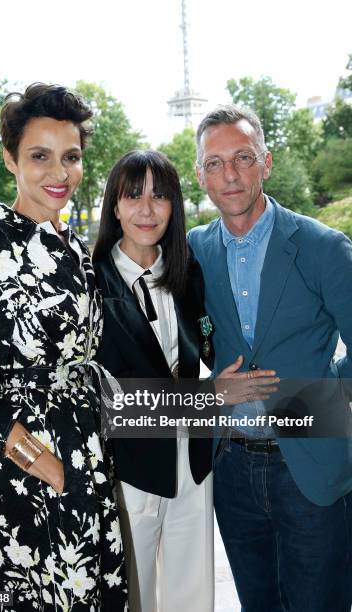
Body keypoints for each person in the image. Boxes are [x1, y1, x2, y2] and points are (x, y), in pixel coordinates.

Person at [0, 83, 128, 611]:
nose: (59, 173)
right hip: (29, 473)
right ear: (10, 159)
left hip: (87, 459)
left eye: (70, 157)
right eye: (40, 156)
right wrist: (50, 469)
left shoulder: (70, 245)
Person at [92, 149, 275, 612]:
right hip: (129, 468)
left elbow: (206, 347)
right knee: (135, 595)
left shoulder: (188, 273)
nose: (147, 209)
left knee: (191, 596)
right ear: (114, 206)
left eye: (160, 196)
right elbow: (109, 399)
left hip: (193, 463)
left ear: (175, 205)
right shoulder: (91, 284)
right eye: (132, 196)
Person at [189, 104, 352, 612]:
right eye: (214, 163)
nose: (229, 174)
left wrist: (321, 399)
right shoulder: (193, 250)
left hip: (311, 467)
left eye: (242, 157)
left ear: (267, 161)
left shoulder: (323, 247)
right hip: (232, 468)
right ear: (200, 175)